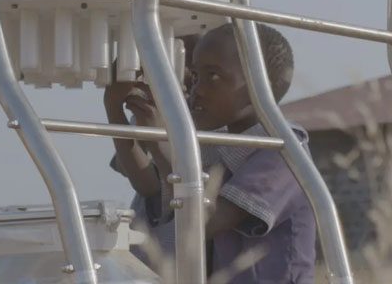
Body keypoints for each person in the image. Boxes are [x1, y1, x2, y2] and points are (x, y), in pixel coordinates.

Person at [104, 23, 315, 283]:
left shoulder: (282, 150)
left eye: (212, 77)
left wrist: (163, 148)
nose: (197, 90)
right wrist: (116, 108)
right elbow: (149, 186)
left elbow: (202, 222)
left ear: (259, 86)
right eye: (195, 77)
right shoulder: (212, 138)